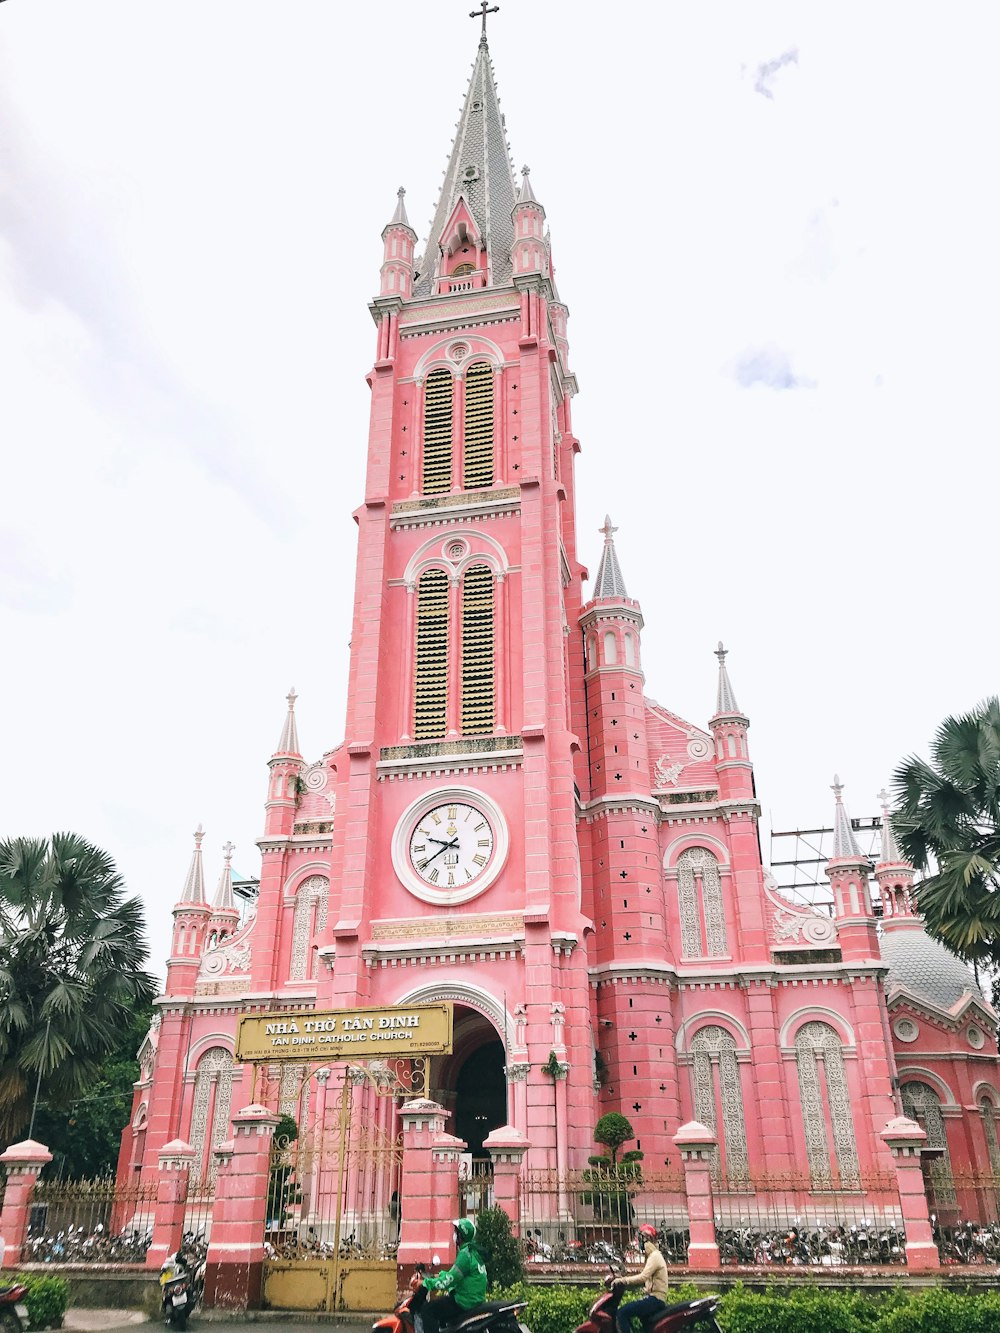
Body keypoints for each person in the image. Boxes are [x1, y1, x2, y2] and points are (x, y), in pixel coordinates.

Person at [414, 1218, 488, 1333]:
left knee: (428, 1310)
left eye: (456, 1232)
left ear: (461, 1235)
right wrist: (441, 1275)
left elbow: (450, 1280)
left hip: (465, 1302)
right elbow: (456, 1275)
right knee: (442, 1310)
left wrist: (425, 1283)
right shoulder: (471, 1252)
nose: (454, 1235)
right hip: (473, 1299)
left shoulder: (465, 1255)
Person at [613, 1224, 669, 1333]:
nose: (639, 1243)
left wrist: (623, 1280)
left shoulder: (654, 1256)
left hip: (656, 1300)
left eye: (641, 1239)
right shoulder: (652, 1256)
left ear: (646, 1240)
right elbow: (650, 1279)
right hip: (654, 1298)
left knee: (622, 1313)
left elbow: (643, 1277)